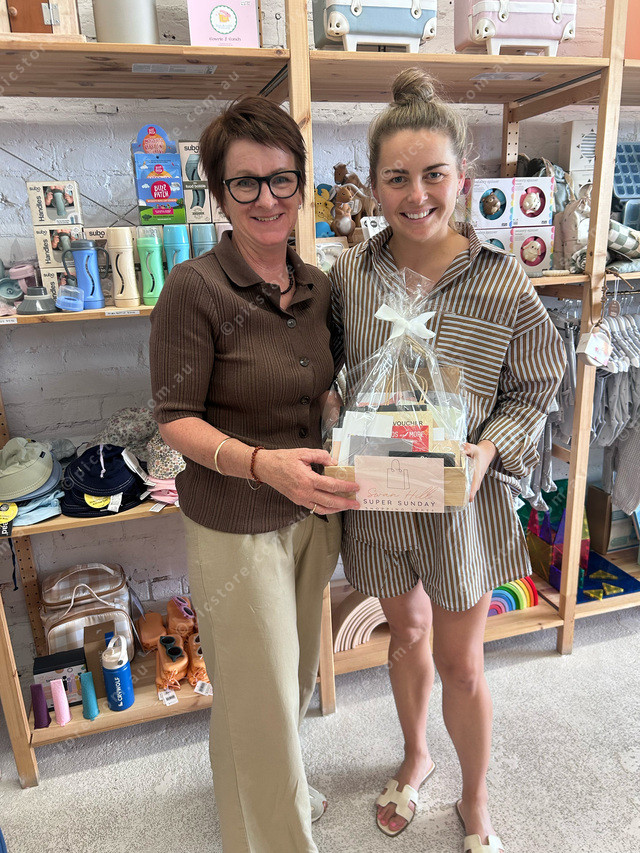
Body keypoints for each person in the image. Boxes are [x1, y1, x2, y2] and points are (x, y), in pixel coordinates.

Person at [330, 69, 566, 853]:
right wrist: (332, 418)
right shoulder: (352, 275)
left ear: (461, 178)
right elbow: (331, 370)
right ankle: (416, 753)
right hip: (378, 492)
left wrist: (489, 445)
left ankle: (475, 796)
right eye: (397, 178)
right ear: (373, 185)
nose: (417, 195)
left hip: (461, 499)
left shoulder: (500, 280)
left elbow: (538, 382)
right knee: (404, 637)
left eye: (433, 174)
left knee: (462, 664)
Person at [149, 95, 359, 853]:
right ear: (219, 192)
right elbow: (175, 417)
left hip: (313, 513)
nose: (267, 198)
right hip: (236, 524)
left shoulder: (320, 286)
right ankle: (278, 833)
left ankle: (268, 793)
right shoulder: (194, 288)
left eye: (281, 179)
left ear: (302, 184)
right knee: (263, 697)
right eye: (245, 182)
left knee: (283, 683)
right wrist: (262, 465)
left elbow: (319, 387)